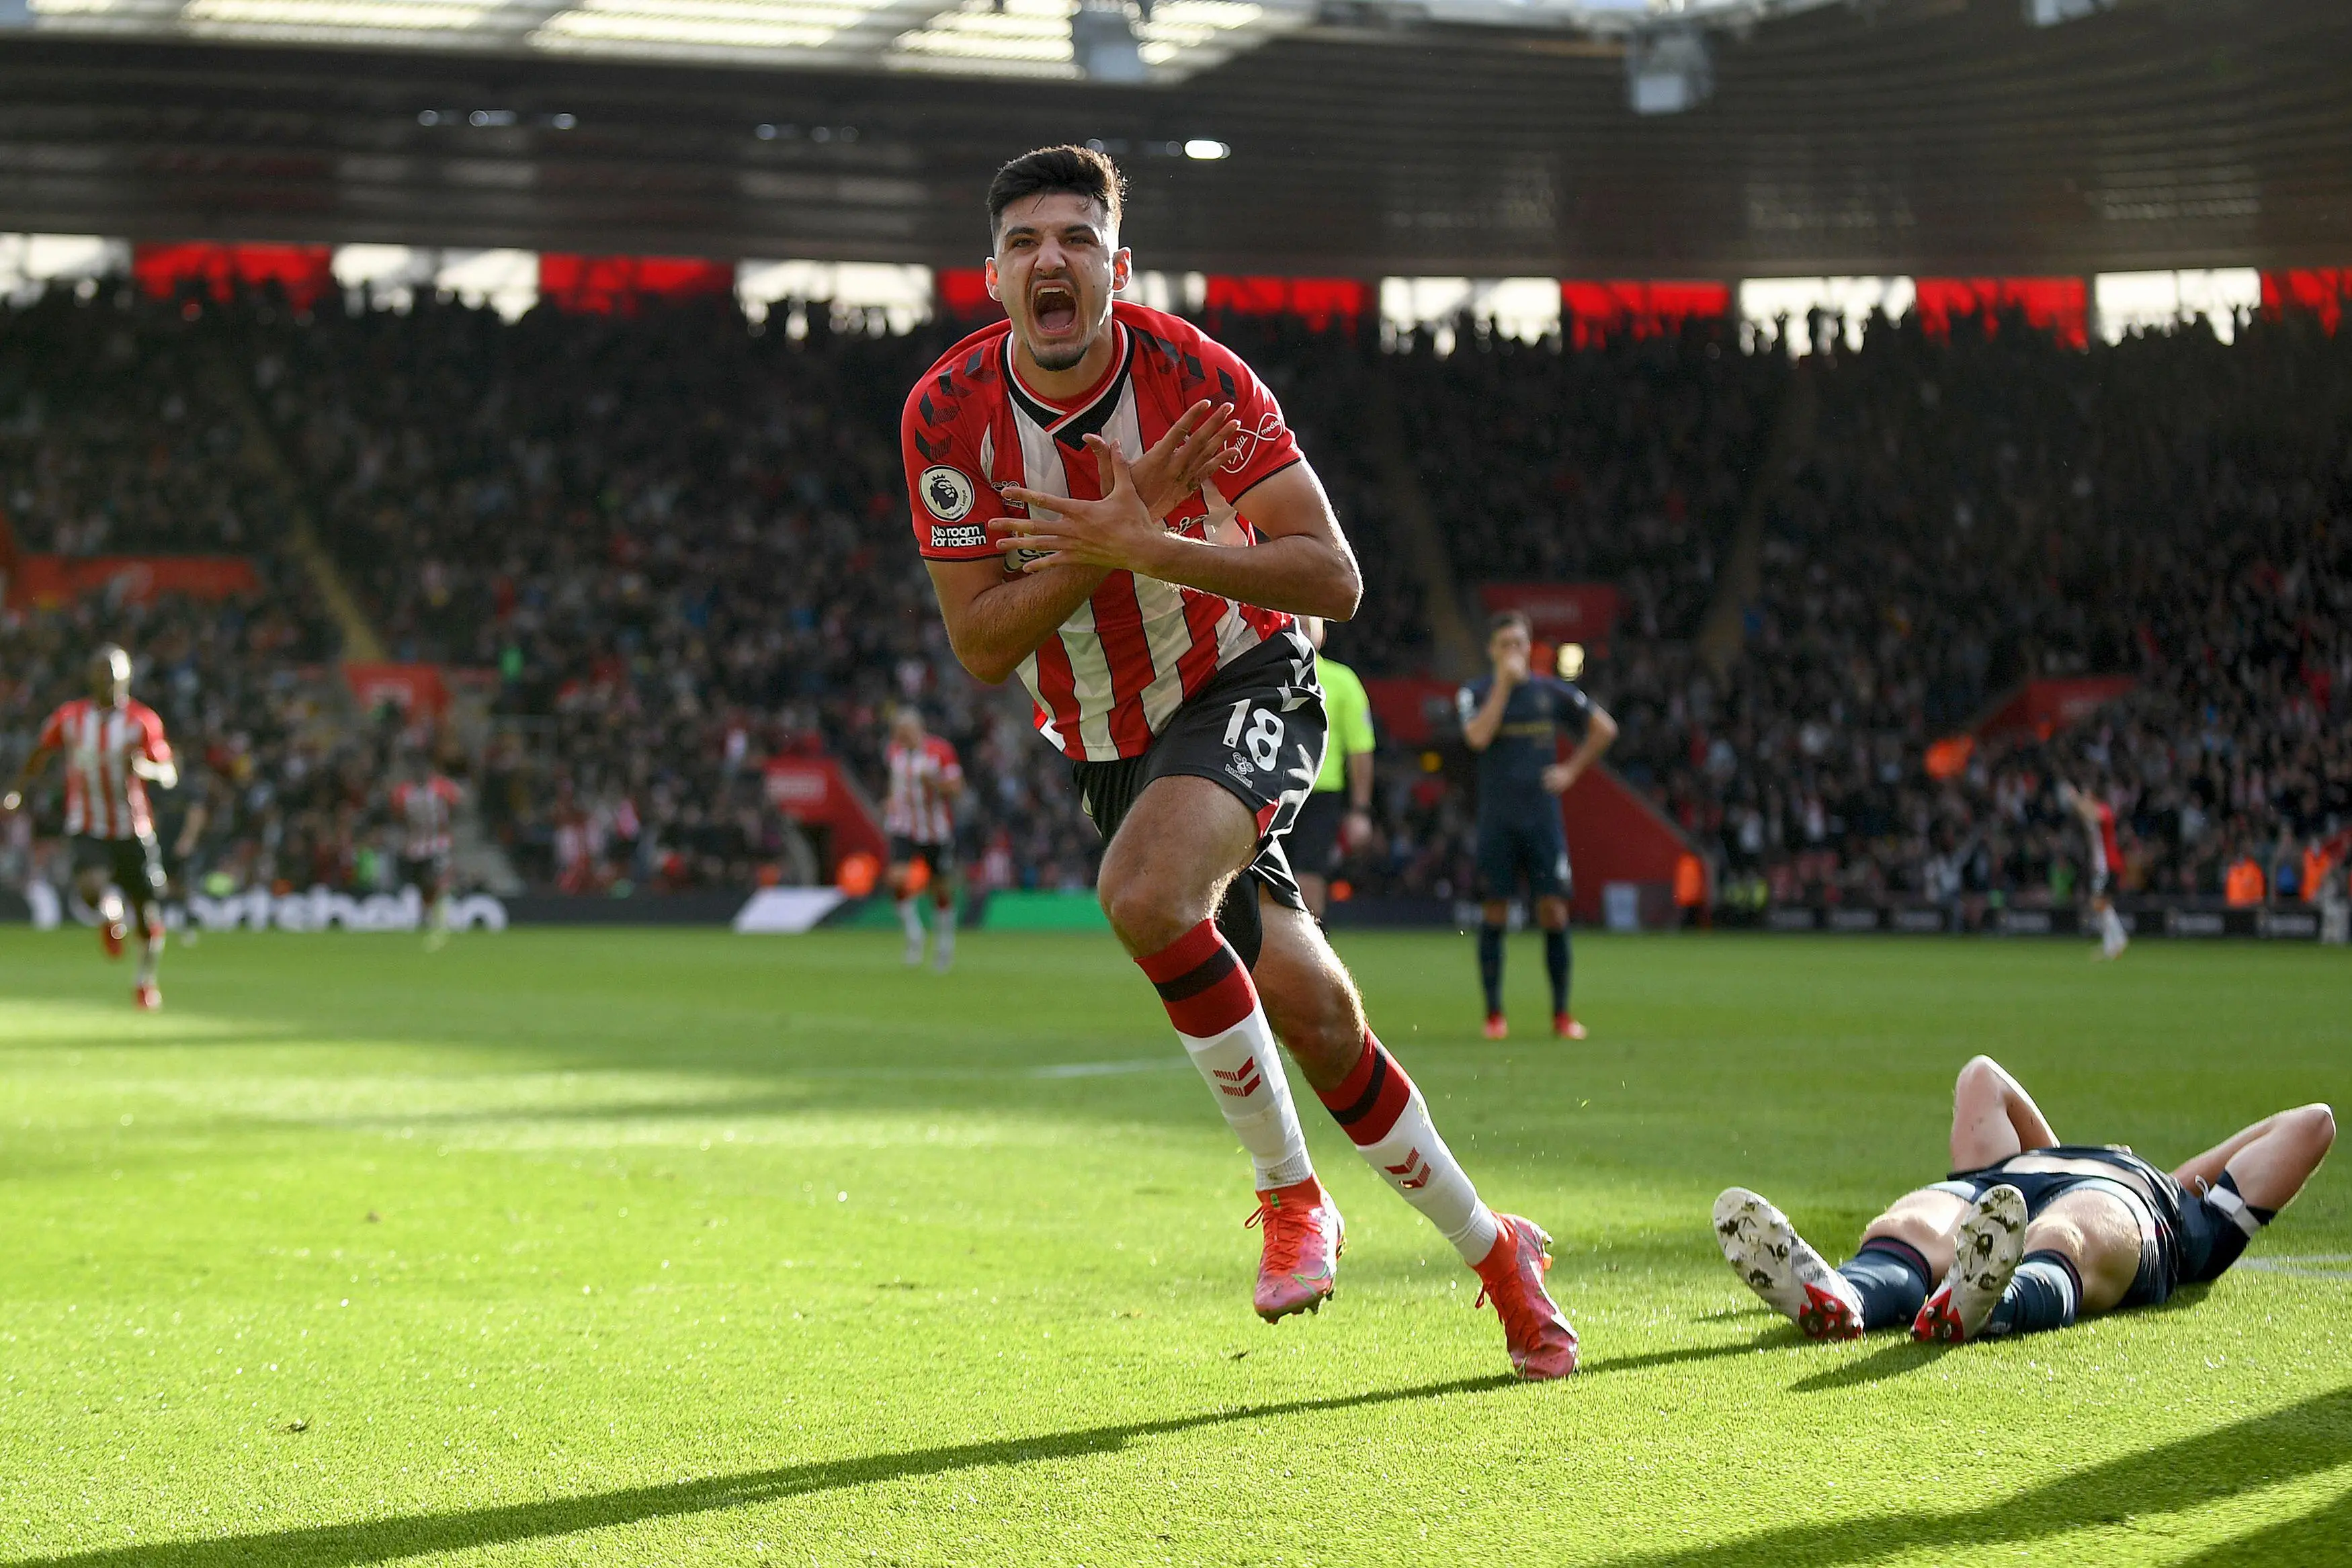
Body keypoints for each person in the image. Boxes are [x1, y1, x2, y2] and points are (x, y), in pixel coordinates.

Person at [900, 144, 1576, 1379]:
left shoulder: (1197, 377)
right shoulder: (946, 416)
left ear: (1118, 265)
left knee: (1146, 895)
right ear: (992, 275)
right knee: (1316, 1015)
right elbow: (984, 643)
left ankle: (1292, 1195)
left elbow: (1335, 578)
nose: (1051, 259)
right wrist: (1112, 547)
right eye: (1024, 242)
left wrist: (1152, 541)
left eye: (1077, 238)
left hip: (1242, 678)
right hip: (1113, 742)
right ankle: (1498, 1254)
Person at [1714, 1055, 2333, 1346]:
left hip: (2124, 1203)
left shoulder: (2187, 1213)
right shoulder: (2073, 1171)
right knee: (1907, 1226)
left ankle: (1991, 1299)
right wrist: (2036, 1163)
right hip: (2004, 1185)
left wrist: (2181, 1180)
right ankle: (1845, 1296)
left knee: (2066, 1237)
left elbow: (2313, 1124)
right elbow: (1987, 1076)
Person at [1456, 612, 1617, 1041]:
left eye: (1519, 643)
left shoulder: (1551, 693)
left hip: (1542, 817)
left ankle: (1562, 1015)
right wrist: (1505, 686)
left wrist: (1570, 770)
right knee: (1495, 909)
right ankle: (1494, 1015)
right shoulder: (1477, 692)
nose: (1513, 652)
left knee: (1554, 909)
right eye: (1505, 644)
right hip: (1497, 817)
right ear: (1492, 650)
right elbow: (1477, 738)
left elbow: (1604, 728)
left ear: (1530, 647)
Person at [3, 644, 177, 1008]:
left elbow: (168, 772)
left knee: (148, 914)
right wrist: (17, 791)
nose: (108, 679)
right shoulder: (69, 718)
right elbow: (40, 753)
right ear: (90, 676)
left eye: (114, 673)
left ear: (127, 677)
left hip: (134, 828)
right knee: (89, 886)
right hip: (88, 821)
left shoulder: (143, 721)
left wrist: (146, 770)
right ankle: (111, 916)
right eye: (101, 672)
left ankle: (145, 981)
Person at [1286, 616, 1375, 920]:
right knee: (1261, 886)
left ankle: (1309, 959)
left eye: (1311, 620)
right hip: (1268, 790)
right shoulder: (1262, 673)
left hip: (1319, 794)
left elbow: (1360, 749)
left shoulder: (1342, 680)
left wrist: (1360, 810)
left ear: (1325, 632)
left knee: (1310, 886)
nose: (1303, 625)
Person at [882, 705, 965, 971]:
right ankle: (914, 934)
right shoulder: (894, 751)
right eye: (897, 733)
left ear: (917, 730)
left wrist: (935, 783)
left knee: (939, 889)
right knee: (896, 878)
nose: (899, 737)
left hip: (935, 831)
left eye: (903, 732)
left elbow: (956, 789)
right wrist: (891, 802)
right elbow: (896, 783)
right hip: (904, 828)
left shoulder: (941, 752)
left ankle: (944, 946)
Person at [392, 758, 463, 949]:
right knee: (421, 885)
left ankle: (441, 920)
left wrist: (446, 830)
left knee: (437, 881)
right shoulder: (404, 792)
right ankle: (425, 916)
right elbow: (398, 815)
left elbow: (456, 806)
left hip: (438, 844)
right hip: (416, 847)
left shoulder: (442, 788)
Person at [2058, 778, 2128, 959]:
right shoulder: (2093, 811)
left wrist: (2074, 797)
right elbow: (2084, 813)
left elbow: (2090, 813)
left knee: (2098, 903)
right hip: (2101, 863)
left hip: (2109, 863)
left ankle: (2117, 939)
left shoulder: (2104, 810)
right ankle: (2111, 944)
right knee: (2103, 904)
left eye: (2088, 794)